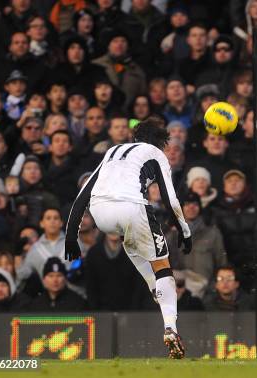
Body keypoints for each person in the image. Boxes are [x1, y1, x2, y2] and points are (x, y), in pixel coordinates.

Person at [64, 116, 192, 359]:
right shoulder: (155, 154)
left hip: (100, 213)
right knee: (163, 265)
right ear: (161, 143)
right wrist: (184, 231)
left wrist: (71, 235)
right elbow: (169, 198)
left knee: (133, 243)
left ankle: (155, 288)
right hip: (131, 207)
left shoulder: (113, 151)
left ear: (135, 137)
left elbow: (83, 193)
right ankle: (170, 328)